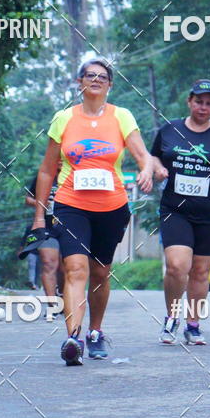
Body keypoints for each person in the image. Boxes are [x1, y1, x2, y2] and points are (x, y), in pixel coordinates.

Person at [31, 57, 153, 366]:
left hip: (111, 207)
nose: (96, 80)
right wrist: (38, 217)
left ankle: (95, 332)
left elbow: (142, 154)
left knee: (100, 273)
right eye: (89, 75)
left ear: (110, 85)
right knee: (75, 270)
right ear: (79, 82)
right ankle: (73, 338)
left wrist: (147, 171)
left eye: (102, 76)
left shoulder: (122, 117)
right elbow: (46, 171)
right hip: (71, 204)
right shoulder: (64, 119)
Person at [150, 79, 210, 346]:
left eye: (209, 103)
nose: (203, 107)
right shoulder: (170, 129)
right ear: (189, 102)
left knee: (201, 272)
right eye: (199, 101)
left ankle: (193, 325)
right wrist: (157, 168)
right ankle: (171, 317)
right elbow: (154, 156)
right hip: (175, 209)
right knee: (177, 266)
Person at [25, 169, 64, 315]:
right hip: (47, 227)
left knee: (65, 268)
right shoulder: (44, 176)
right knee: (48, 263)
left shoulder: (75, 174)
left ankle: (63, 296)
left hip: (71, 227)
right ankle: (53, 304)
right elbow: (28, 199)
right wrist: (40, 203)